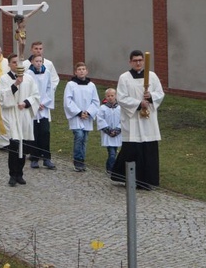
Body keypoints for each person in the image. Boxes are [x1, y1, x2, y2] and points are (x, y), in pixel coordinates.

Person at [111, 50, 165, 190]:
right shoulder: (125, 78)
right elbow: (121, 98)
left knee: (148, 149)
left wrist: (151, 97)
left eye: (140, 60)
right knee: (133, 150)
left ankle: (147, 181)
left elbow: (160, 93)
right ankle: (129, 179)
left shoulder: (152, 76)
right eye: (135, 60)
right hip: (133, 119)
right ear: (130, 62)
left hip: (148, 120)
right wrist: (138, 103)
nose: (138, 63)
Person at [0, 53, 39, 186]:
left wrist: (26, 102)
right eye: (14, 62)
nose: (17, 65)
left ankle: (20, 173)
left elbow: (36, 95)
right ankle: (12, 174)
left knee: (24, 146)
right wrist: (15, 84)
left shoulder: (28, 78)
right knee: (14, 145)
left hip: (24, 114)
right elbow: (2, 98)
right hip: (12, 114)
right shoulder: (4, 79)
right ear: (9, 64)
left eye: (18, 62)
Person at [63, 62, 100, 172]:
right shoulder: (71, 85)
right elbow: (67, 101)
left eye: (83, 69)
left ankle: (82, 159)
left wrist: (88, 112)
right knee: (79, 136)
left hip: (87, 116)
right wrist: (79, 113)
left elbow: (95, 101)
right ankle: (77, 160)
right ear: (75, 72)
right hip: (76, 116)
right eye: (79, 69)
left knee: (84, 138)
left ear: (87, 71)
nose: (81, 71)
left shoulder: (91, 85)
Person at [26, 55, 56, 170]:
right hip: (34, 108)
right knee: (34, 134)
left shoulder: (47, 72)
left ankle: (46, 158)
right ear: (32, 62)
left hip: (43, 108)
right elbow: (27, 90)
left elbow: (49, 88)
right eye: (36, 61)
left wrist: (45, 102)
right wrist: (35, 103)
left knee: (45, 132)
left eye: (40, 61)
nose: (39, 63)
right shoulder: (29, 74)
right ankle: (34, 158)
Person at [97, 88, 122, 174]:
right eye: (108, 96)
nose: (110, 97)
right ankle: (111, 170)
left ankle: (111, 168)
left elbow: (123, 120)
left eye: (112, 95)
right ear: (106, 97)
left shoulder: (120, 108)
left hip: (117, 134)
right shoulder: (102, 108)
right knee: (111, 153)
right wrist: (108, 130)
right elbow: (100, 120)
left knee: (114, 152)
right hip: (108, 134)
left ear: (115, 96)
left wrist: (117, 130)